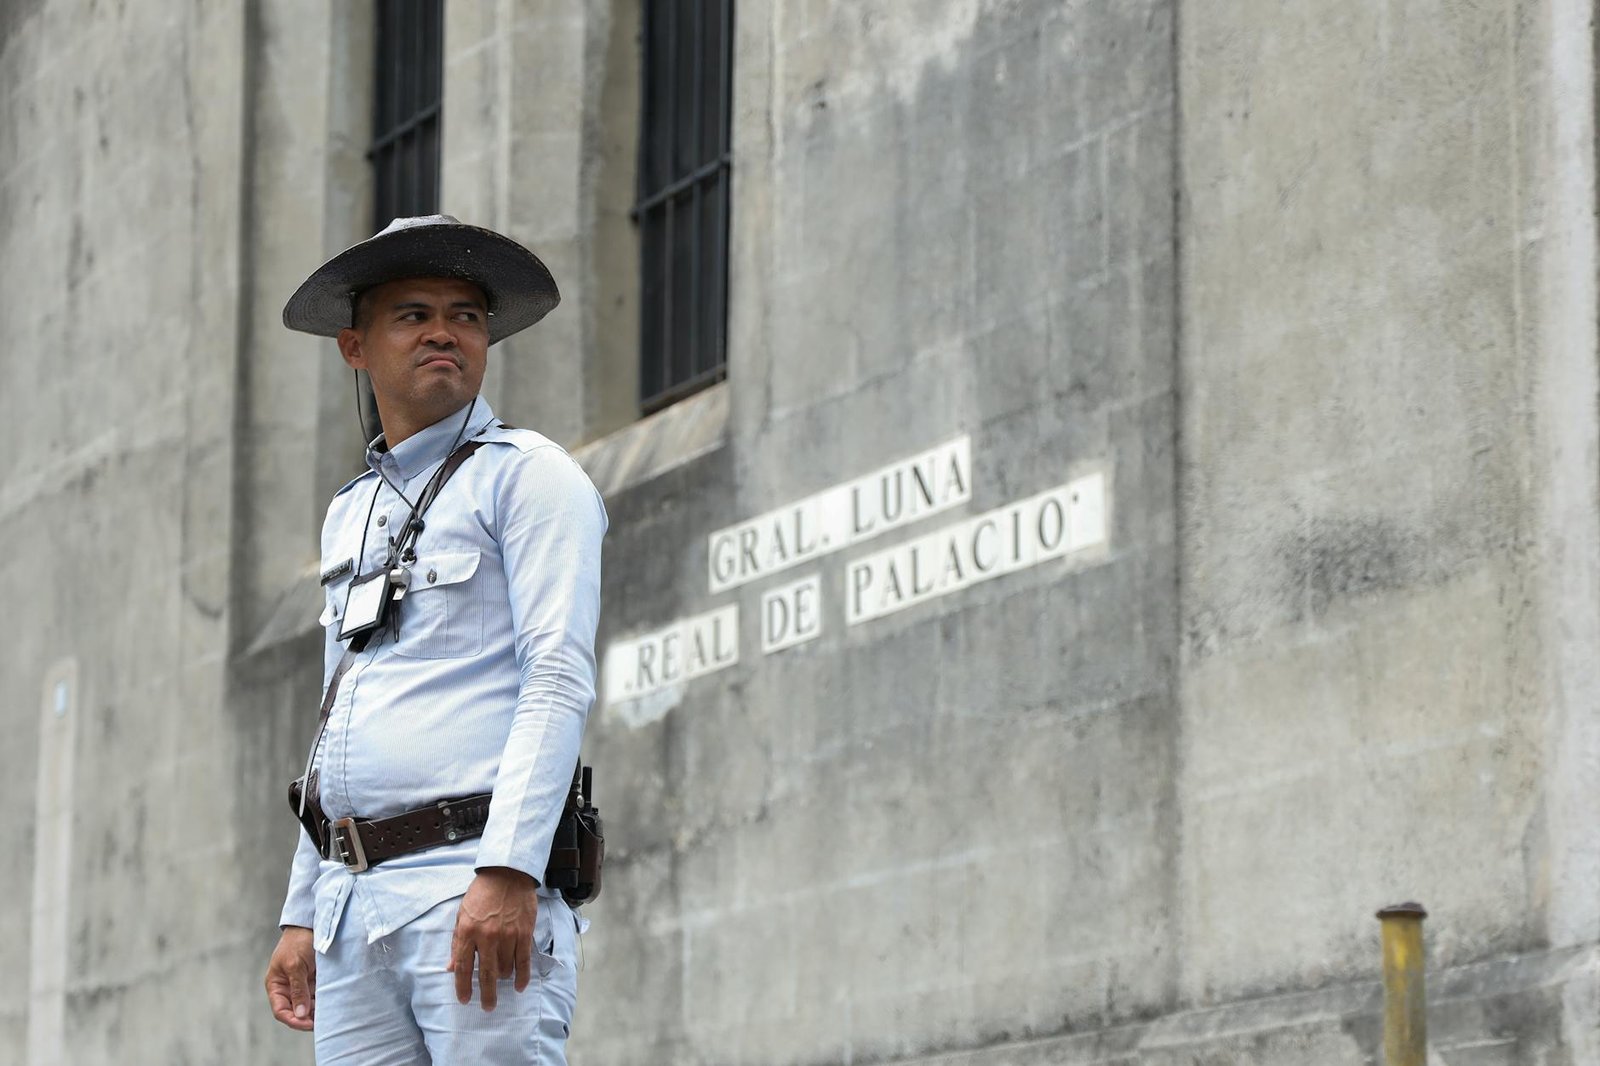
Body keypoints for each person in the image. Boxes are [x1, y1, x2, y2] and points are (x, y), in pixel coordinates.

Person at [263, 215, 607, 1064]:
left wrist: (511, 871)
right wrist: (303, 910)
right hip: (352, 907)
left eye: (467, 315)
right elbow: (334, 719)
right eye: (413, 314)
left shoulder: (529, 477)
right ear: (356, 347)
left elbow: (557, 676)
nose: (445, 332)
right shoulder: (354, 510)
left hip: (468, 884)